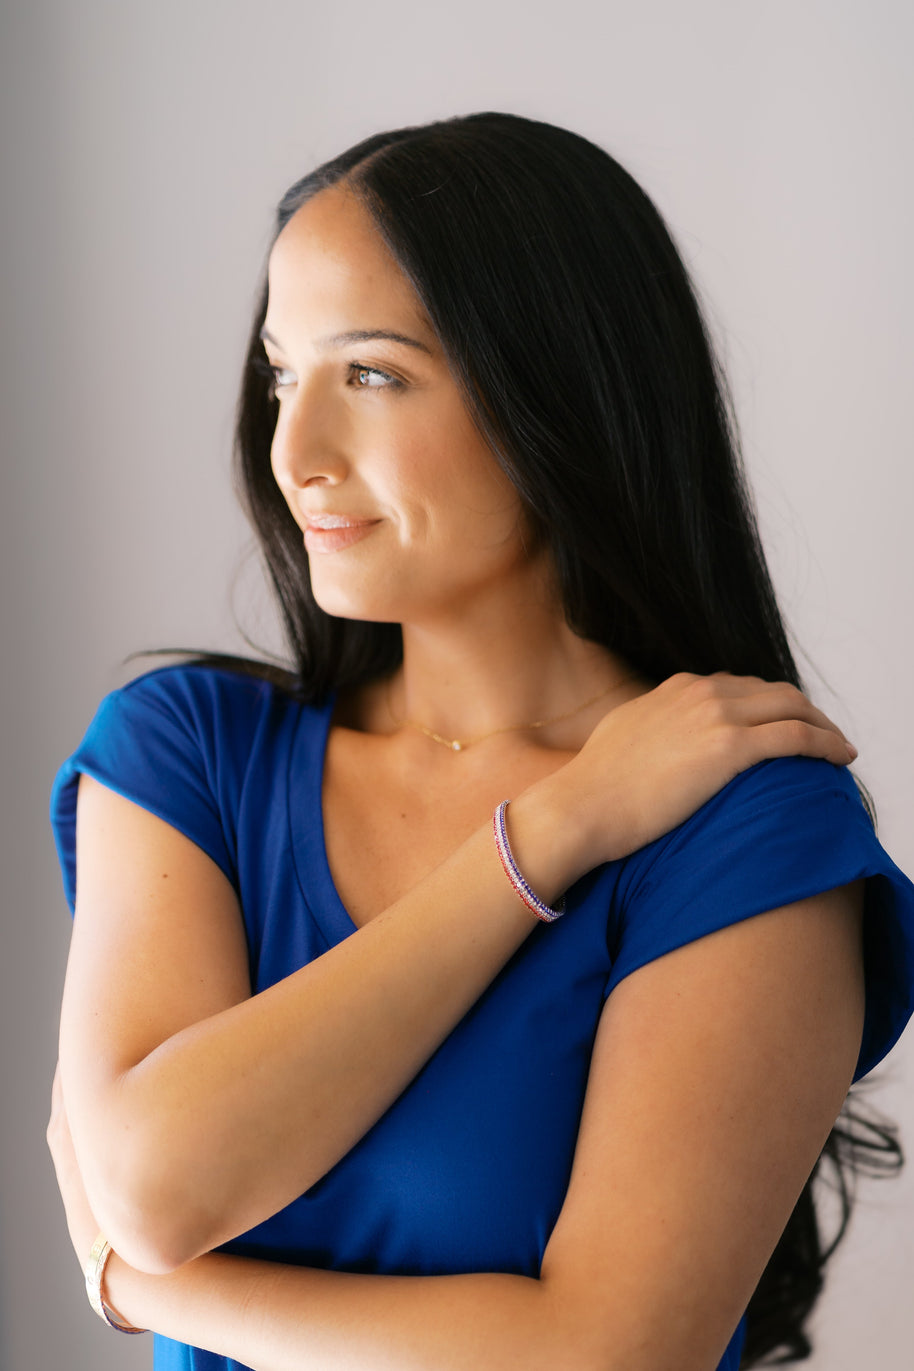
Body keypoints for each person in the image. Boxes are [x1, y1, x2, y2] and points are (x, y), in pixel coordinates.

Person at [47, 111, 914, 1371]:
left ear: (553, 391)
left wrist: (146, 1295)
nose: (295, 452)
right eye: (282, 375)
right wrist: (553, 833)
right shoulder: (185, 755)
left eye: (373, 375)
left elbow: (608, 1356)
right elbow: (160, 1190)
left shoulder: (749, 825)